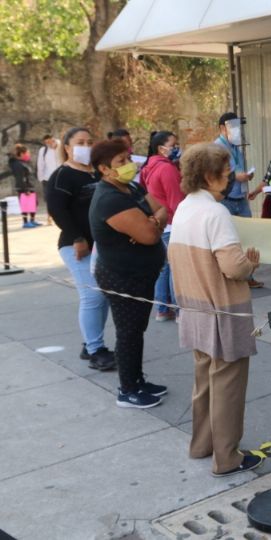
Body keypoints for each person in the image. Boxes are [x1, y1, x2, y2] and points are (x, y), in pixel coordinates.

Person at [168, 143, 263, 476]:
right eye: (225, 173)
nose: (230, 177)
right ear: (209, 176)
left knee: (204, 382)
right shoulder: (215, 213)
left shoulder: (184, 208)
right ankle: (227, 457)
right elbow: (234, 269)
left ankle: (202, 444)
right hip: (223, 309)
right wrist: (250, 262)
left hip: (193, 308)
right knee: (228, 386)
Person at [88, 139, 168, 409]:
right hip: (121, 276)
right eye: (120, 162)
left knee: (136, 330)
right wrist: (149, 226)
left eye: (128, 158)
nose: (128, 165)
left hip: (141, 273)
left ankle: (137, 379)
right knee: (128, 332)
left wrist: (152, 222)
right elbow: (147, 236)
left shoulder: (130, 187)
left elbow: (162, 209)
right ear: (104, 169)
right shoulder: (109, 199)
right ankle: (128, 390)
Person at [46, 127, 115, 371]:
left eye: (89, 142)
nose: (85, 146)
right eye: (79, 142)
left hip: (103, 245)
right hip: (77, 246)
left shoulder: (98, 173)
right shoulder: (61, 176)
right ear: (66, 147)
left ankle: (91, 343)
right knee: (92, 294)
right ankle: (96, 350)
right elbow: (58, 211)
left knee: (104, 293)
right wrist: (77, 238)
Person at [212, 112, 262, 288]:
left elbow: (239, 168)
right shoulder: (217, 148)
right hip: (226, 198)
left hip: (240, 196)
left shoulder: (236, 147)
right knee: (230, 238)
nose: (236, 131)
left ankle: (248, 275)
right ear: (222, 128)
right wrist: (236, 176)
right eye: (233, 127)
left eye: (238, 127)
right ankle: (231, 275)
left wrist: (247, 175)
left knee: (247, 237)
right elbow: (216, 173)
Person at [141, 131, 185, 322]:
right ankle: (178, 310)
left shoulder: (148, 167)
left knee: (164, 268)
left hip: (161, 223)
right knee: (175, 268)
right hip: (172, 222)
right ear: (161, 148)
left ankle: (162, 308)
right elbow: (176, 200)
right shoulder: (167, 169)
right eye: (173, 145)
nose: (177, 148)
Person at [9, 144, 39, 228]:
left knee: (33, 204)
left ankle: (32, 220)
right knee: (25, 205)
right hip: (24, 187)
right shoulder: (17, 164)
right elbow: (20, 178)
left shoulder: (24, 162)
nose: (28, 155)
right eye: (27, 153)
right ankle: (25, 222)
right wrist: (25, 190)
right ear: (22, 154)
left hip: (30, 185)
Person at [37, 134, 62, 224]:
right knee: (49, 198)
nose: (49, 144)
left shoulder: (61, 148)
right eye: (46, 142)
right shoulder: (43, 150)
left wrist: (58, 146)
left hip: (61, 176)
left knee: (62, 196)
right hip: (48, 178)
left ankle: (62, 216)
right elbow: (40, 164)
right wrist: (41, 177)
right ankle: (49, 217)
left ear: (54, 139)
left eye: (50, 141)